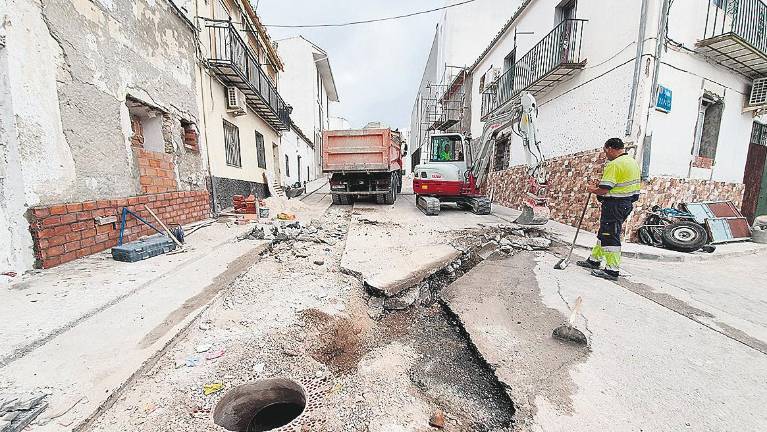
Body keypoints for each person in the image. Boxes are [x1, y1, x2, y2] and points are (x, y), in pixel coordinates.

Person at [577, 138, 641, 281]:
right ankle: (594, 260)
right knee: (604, 233)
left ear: (611, 148)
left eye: (606, 151)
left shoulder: (615, 164)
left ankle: (612, 270)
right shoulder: (632, 162)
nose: (606, 154)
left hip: (614, 205)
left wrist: (592, 189)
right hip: (625, 204)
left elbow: (604, 189)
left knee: (610, 235)